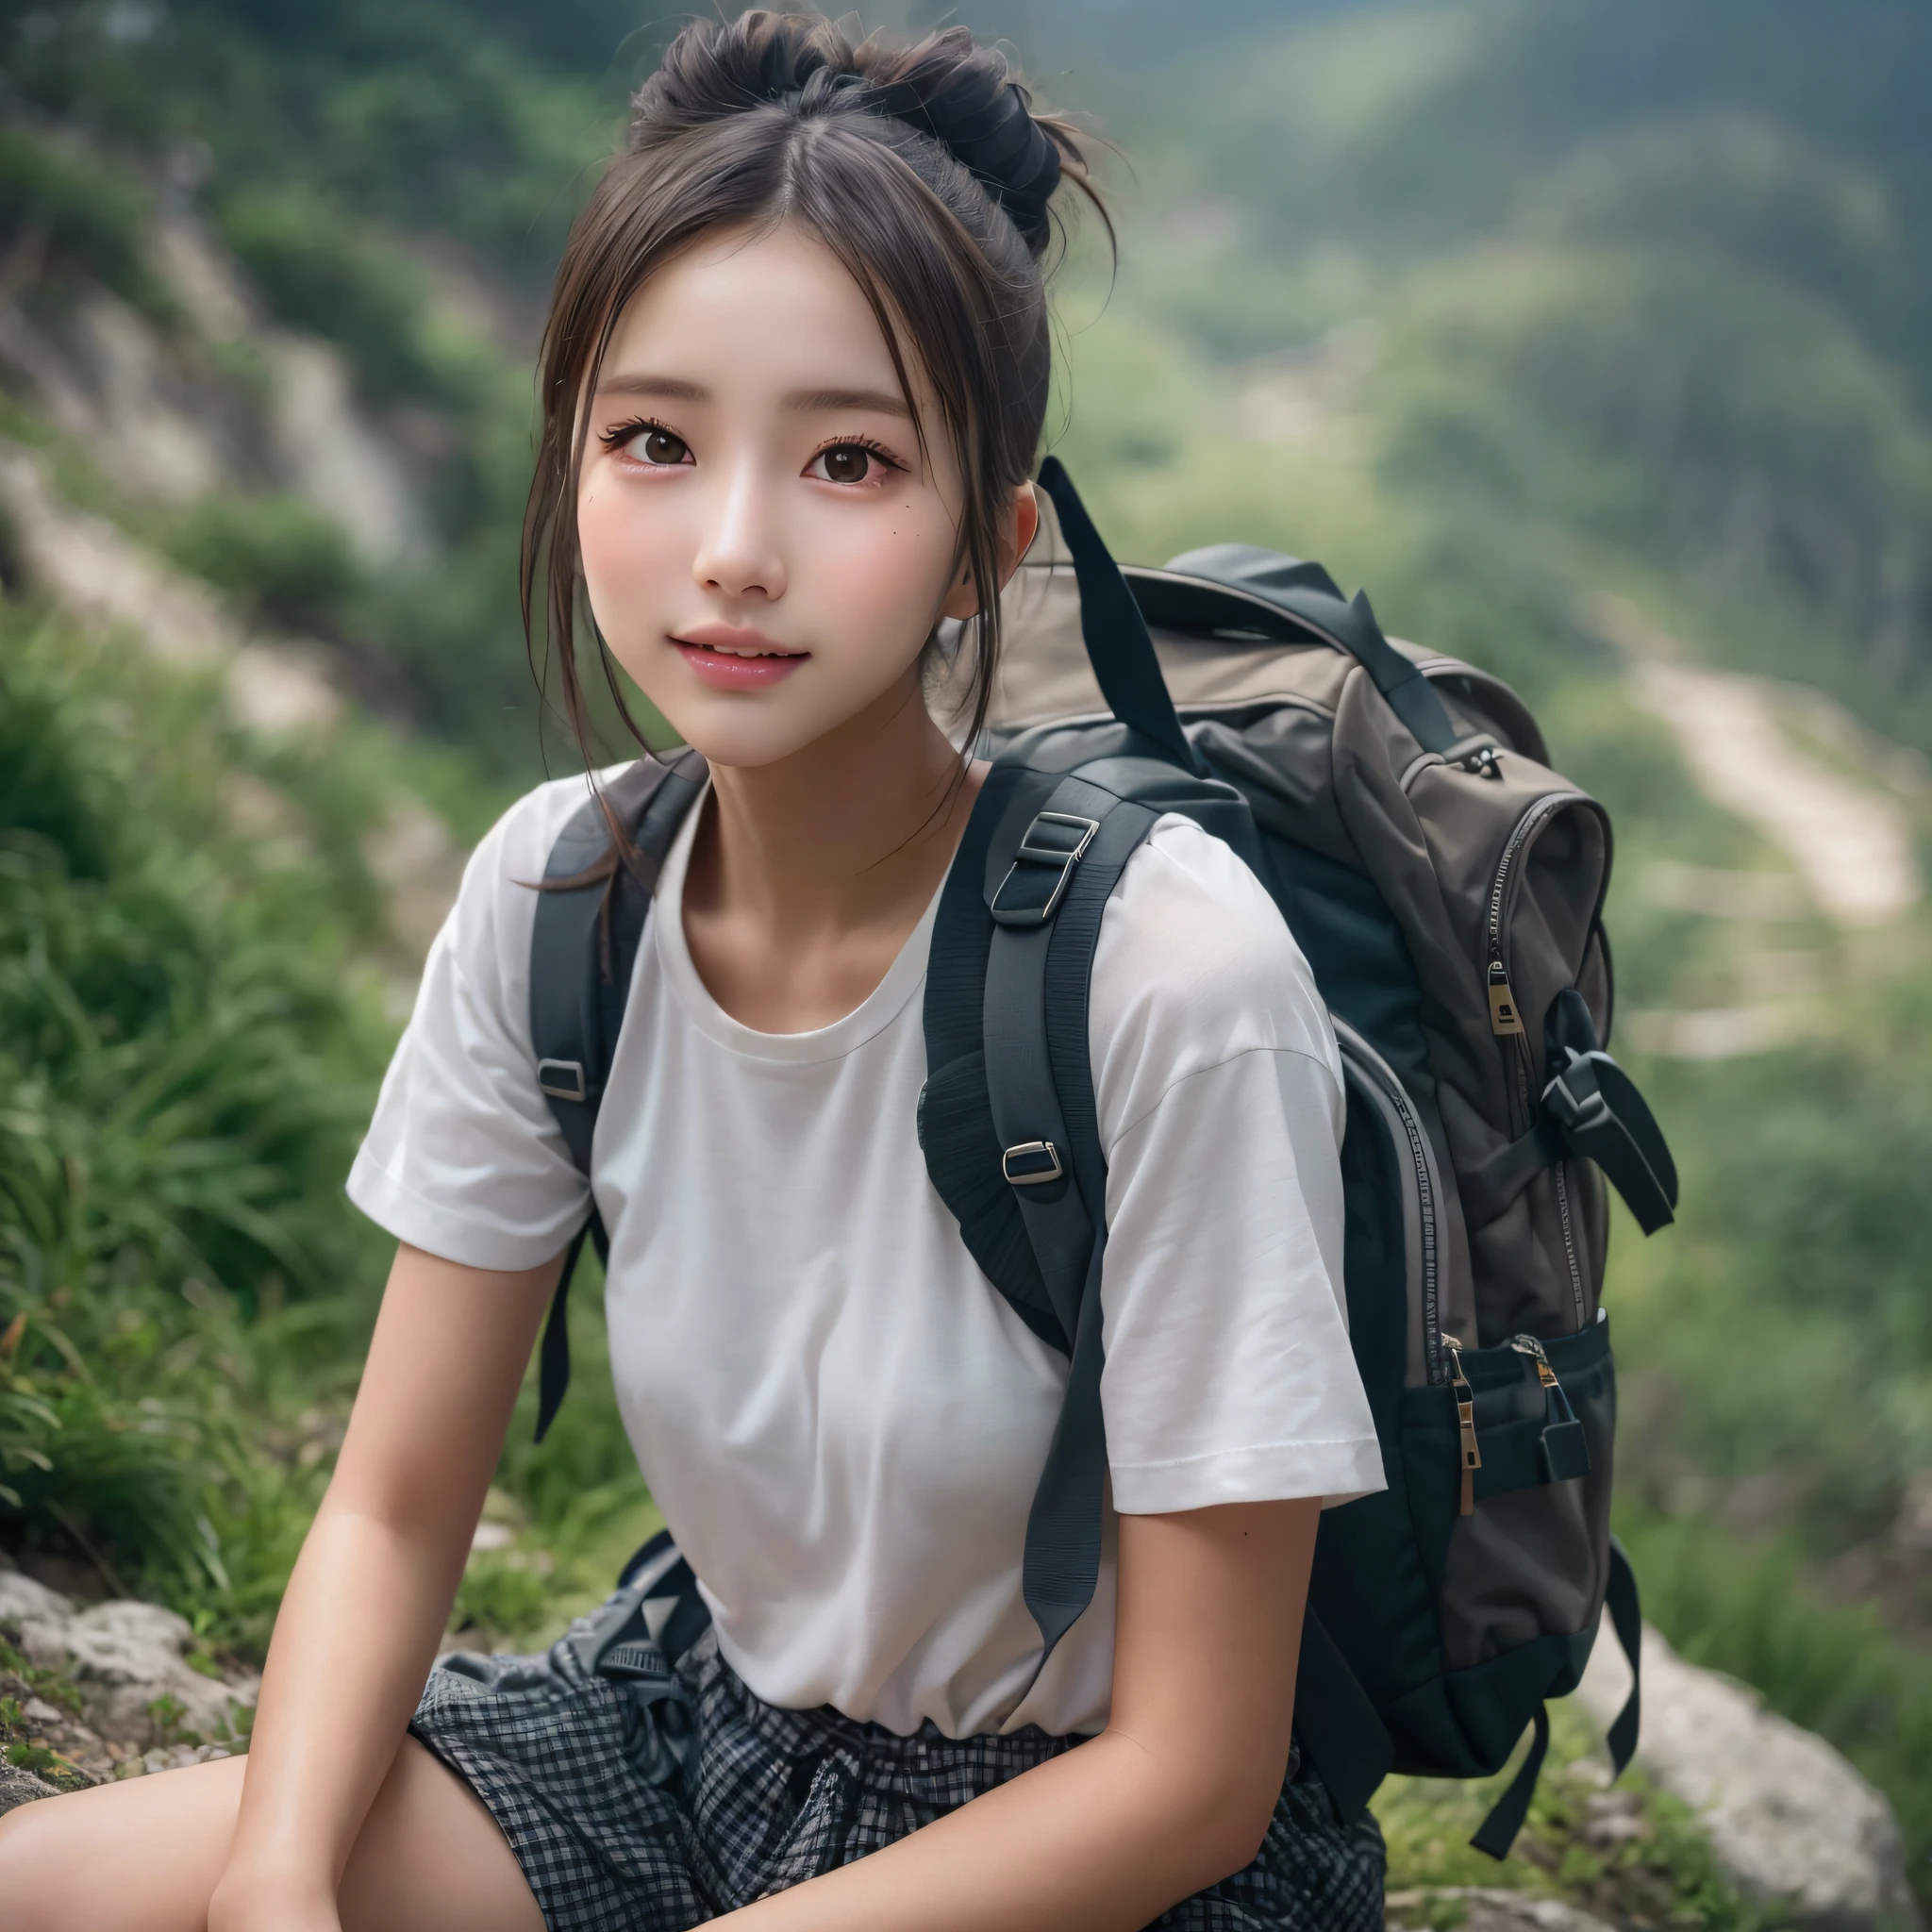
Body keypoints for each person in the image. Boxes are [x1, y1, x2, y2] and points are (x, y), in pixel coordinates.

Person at [0, 14, 1388, 1929]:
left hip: (1086, 1850)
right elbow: (396, 1508)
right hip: (699, 1735)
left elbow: (1195, 1778)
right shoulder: (560, 895)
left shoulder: (1165, 970)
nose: (730, 552)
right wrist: (276, 1884)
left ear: (989, 544)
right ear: (571, 453)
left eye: (846, 461)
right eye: (654, 440)